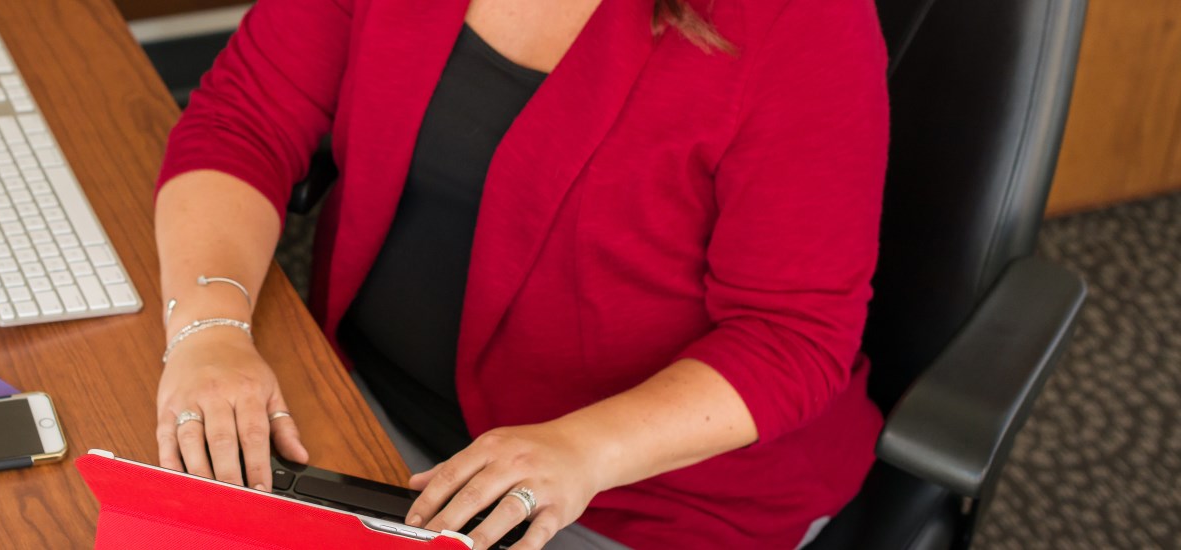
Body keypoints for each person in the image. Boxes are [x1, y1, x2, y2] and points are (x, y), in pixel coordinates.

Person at [149, 0, 890, 546]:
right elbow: (245, 119)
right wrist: (209, 330)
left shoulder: (802, 20)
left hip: (629, 494)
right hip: (351, 404)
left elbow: (792, 335)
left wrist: (582, 449)